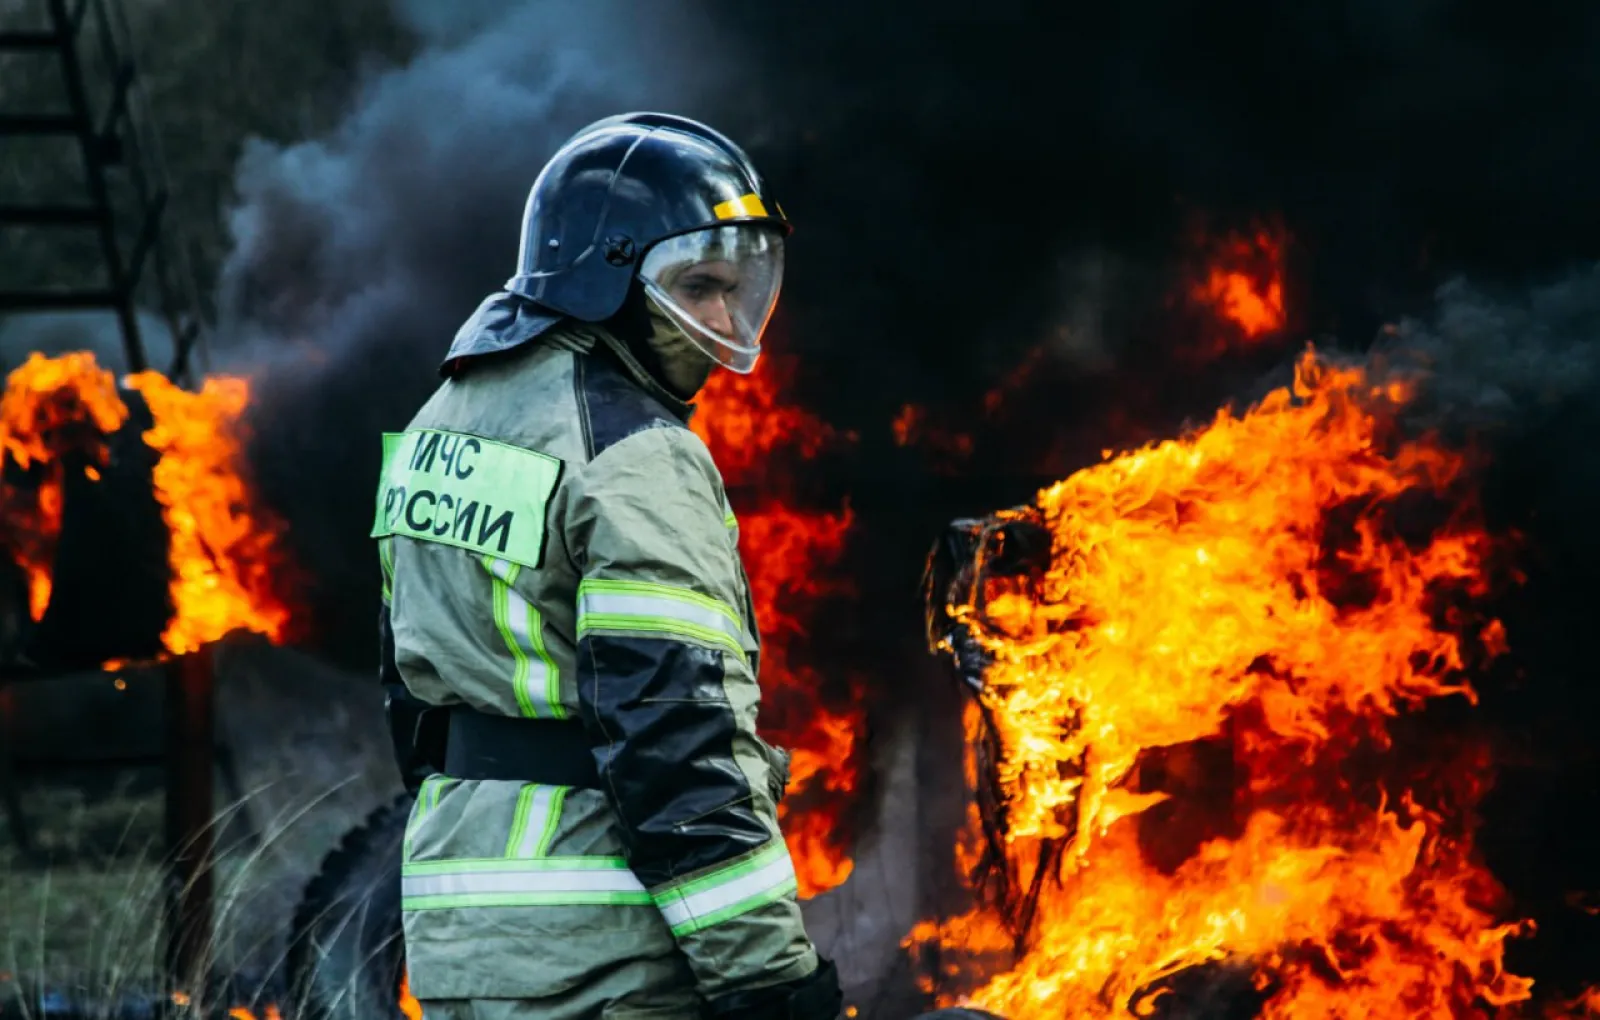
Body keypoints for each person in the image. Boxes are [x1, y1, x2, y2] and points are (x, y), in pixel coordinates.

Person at [372, 112, 842, 1020]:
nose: (723, 320)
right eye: (699, 286)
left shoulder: (435, 429)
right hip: (605, 952)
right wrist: (771, 982)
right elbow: (679, 744)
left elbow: (410, 704)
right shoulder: (632, 453)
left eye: (737, 291)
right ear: (608, 275)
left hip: (457, 933)